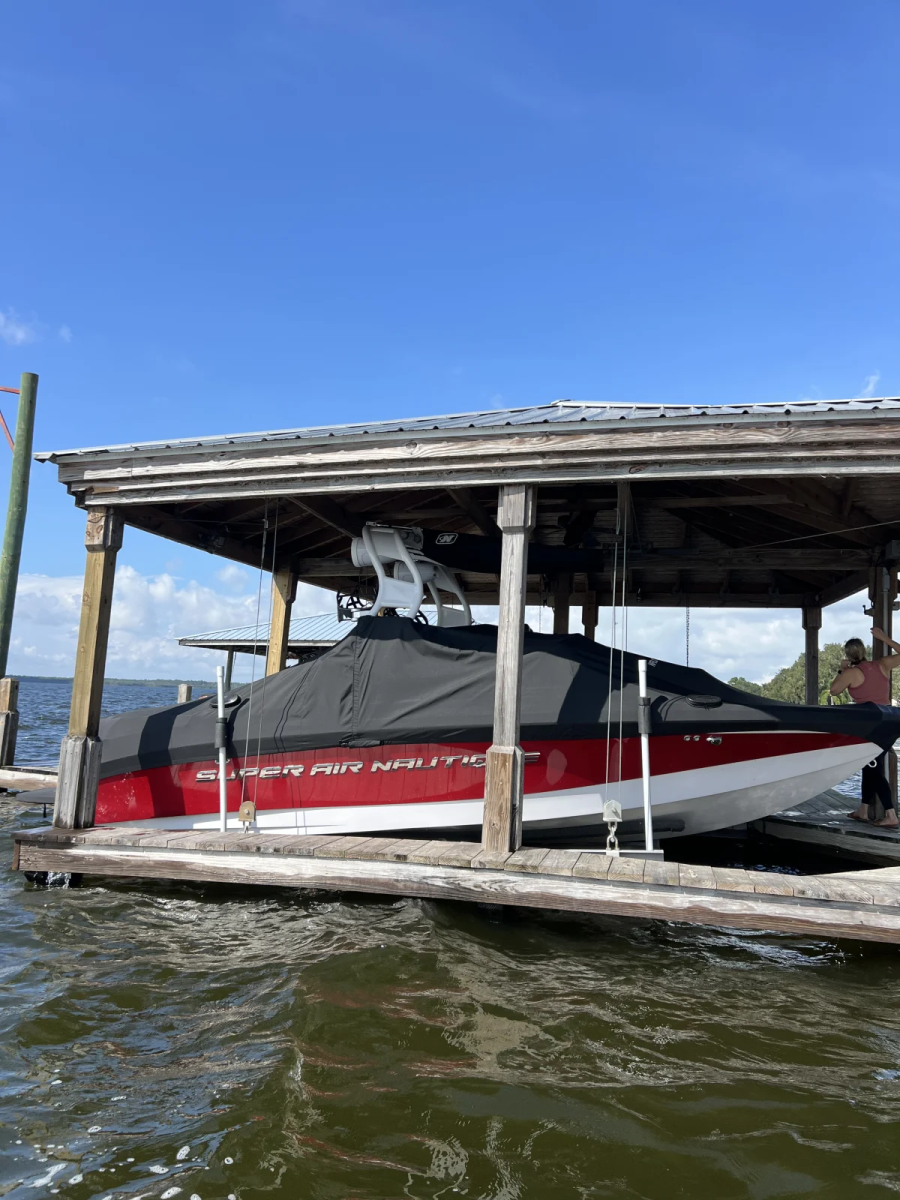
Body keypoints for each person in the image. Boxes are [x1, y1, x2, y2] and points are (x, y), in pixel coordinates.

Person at [829, 627, 900, 827]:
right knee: (869, 764)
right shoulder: (883, 664)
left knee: (873, 768)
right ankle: (863, 809)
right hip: (891, 720)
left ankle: (891, 815)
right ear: (863, 651)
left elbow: (834, 691)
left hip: (871, 723)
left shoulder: (851, 673)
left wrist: (842, 670)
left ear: (848, 654)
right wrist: (885, 639)